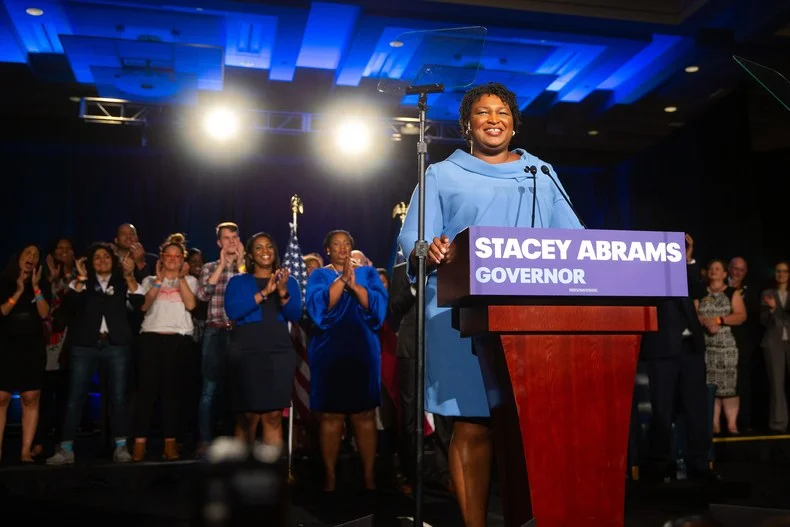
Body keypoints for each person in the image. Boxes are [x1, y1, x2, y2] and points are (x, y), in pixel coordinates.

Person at [397, 82, 583, 527]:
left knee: (529, 430)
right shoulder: (441, 175)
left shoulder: (540, 173)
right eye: (483, 112)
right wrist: (431, 248)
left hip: (531, 317)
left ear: (515, 124)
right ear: (467, 125)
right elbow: (412, 239)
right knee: (473, 424)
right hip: (461, 318)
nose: (494, 119)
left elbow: (575, 239)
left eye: (502, 111)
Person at [306, 230, 388, 492]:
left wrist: (355, 285)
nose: (342, 248)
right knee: (332, 415)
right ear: (328, 250)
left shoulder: (368, 273)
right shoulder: (319, 275)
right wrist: (342, 281)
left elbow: (378, 308)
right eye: (336, 244)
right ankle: (330, 476)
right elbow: (320, 308)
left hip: (362, 352)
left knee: (364, 414)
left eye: (346, 244)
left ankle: (369, 476)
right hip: (330, 352)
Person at [47, 243, 143, 465]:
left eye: (106, 257)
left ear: (114, 260)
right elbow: (67, 309)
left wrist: (129, 275)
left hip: (116, 345)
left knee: (119, 398)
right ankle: (66, 449)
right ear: (90, 262)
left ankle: (121, 447)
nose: (102, 260)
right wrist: (79, 280)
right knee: (75, 398)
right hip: (85, 346)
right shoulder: (82, 282)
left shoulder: (122, 281)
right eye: (97, 257)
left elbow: (139, 304)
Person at [639, 234, 717, 482]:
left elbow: (698, 290)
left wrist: (688, 257)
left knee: (696, 409)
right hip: (663, 351)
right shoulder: (649, 274)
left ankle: (700, 464)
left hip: (690, 349)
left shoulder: (686, 272)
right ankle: (660, 466)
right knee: (662, 410)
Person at [224, 232, 302, 449]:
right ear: (250, 255)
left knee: (274, 416)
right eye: (258, 247)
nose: (265, 251)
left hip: (278, 352)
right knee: (247, 417)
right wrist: (264, 293)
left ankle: (271, 477)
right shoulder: (238, 282)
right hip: (247, 352)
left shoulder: (289, 281)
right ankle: (242, 476)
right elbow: (233, 311)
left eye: (269, 246)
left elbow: (294, 315)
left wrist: (283, 292)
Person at [131, 234, 198, 461]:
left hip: (178, 340)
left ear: (182, 260)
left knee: (172, 394)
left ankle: (170, 444)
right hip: (150, 338)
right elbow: (144, 306)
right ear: (161, 258)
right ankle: (139, 444)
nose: (172, 259)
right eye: (168, 255)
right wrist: (159, 281)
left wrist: (179, 278)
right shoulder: (149, 281)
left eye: (176, 256)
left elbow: (190, 304)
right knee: (146, 394)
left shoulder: (190, 281)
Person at [196, 222, 245, 453]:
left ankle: (238, 440)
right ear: (218, 243)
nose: (231, 242)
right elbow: (203, 295)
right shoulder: (209, 267)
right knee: (209, 390)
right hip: (215, 330)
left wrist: (241, 265)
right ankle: (205, 440)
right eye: (226, 238)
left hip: (239, 332)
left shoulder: (247, 268)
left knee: (239, 389)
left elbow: (251, 294)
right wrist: (222, 266)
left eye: (234, 237)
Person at [0, 245, 51, 463]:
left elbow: (44, 313)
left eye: (36, 256)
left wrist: (36, 288)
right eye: (27, 254)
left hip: (32, 347)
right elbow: (2, 312)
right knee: (1, 397)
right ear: (18, 258)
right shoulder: (4, 282)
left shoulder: (41, 284)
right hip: (6, 346)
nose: (32, 258)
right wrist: (19, 291)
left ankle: (25, 450)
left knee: (31, 397)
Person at [695, 260, 747, 435]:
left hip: (727, 348)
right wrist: (705, 322)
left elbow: (741, 316)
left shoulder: (732, 292)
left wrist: (718, 320)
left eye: (717, 269)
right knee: (711, 385)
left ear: (725, 273)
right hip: (707, 347)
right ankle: (714, 425)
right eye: (711, 268)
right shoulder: (700, 293)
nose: (713, 271)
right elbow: (695, 313)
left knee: (730, 387)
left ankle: (732, 425)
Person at [760, 261, 790, 434]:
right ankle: (779, 423)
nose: (781, 274)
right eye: (778, 271)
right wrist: (771, 310)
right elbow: (763, 321)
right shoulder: (767, 293)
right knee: (777, 384)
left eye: (784, 271)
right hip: (773, 343)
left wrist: (777, 308)